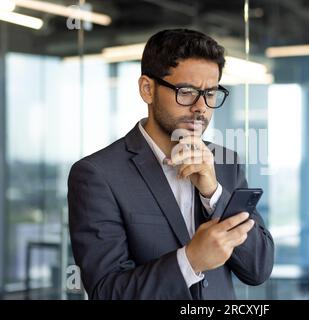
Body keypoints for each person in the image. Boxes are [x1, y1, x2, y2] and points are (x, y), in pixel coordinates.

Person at [67, 29, 274, 300]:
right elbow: (107, 292)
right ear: (147, 89)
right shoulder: (97, 174)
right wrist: (190, 261)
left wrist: (213, 193)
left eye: (210, 93)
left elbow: (258, 269)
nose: (201, 107)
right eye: (186, 92)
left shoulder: (225, 163)